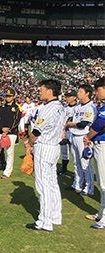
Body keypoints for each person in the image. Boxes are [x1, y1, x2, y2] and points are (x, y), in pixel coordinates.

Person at [25, 79, 65, 232]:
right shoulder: (60, 107)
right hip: (54, 146)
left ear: (49, 91)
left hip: (45, 146)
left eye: (41, 89)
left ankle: (45, 221)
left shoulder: (47, 108)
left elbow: (37, 131)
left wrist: (29, 143)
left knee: (43, 185)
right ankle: (55, 215)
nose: (39, 92)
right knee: (52, 183)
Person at [66, 84, 97, 196]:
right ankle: (77, 184)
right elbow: (72, 120)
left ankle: (89, 188)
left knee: (85, 163)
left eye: (80, 91)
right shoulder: (78, 106)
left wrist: (70, 124)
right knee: (76, 162)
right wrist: (71, 124)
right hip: (74, 136)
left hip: (83, 137)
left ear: (87, 93)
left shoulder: (91, 107)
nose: (78, 93)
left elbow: (83, 124)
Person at [84, 78, 105, 229]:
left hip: (102, 145)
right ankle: (101, 214)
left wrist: (87, 137)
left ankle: (104, 219)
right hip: (99, 145)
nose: (96, 93)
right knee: (102, 183)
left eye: (98, 89)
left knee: (104, 184)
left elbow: (98, 125)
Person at [58, 90, 77, 175]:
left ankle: (79, 173)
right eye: (66, 96)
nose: (67, 98)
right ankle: (64, 169)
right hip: (64, 132)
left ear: (74, 97)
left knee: (75, 153)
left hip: (74, 133)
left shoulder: (78, 107)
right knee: (64, 151)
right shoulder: (65, 108)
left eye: (69, 96)